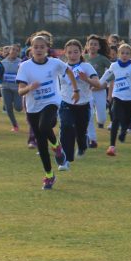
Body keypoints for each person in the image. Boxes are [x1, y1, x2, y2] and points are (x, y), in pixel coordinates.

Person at [17, 34, 77, 190]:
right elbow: (20, 91)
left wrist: (75, 89)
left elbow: (69, 71)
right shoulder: (25, 67)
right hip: (33, 107)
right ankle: (49, 175)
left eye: (42, 47)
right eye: (35, 47)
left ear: (47, 48)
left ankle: (57, 147)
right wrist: (30, 88)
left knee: (45, 127)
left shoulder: (55, 63)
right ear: (30, 49)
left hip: (51, 102)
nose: (38, 50)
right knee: (41, 144)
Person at [57, 40, 104, 168]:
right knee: (66, 127)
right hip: (66, 103)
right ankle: (66, 160)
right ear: (65, 53)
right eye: (70, 52)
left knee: (80, 131)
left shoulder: (86, 67)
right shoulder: (62, 67)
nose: (73, 55)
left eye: (76, 52)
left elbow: (98, 84)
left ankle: (83, 143)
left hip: (83, 104)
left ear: (81, 52)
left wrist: (86, 79)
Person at [98, 43, 131, 155]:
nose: (124, 55)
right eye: (122, 53)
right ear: (118, 54)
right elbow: (105, 76)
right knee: (116, 119)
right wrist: (97, 84)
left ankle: (123, 132)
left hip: (130, 99)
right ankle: (112, 146)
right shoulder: (114, 66)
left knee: (128, 121)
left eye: (127, 53)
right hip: (117, 97)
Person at [1, 44, 23, 134]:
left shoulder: (21, 63)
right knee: (8, 108)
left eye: (16, 50)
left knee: (18, 108)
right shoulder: (2, 63)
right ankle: (15, 125)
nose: (14, 51)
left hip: (17, 89)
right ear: (9, 50)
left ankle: (17, 101)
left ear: (18, 52)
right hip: (5, 88)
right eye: (13, 49)